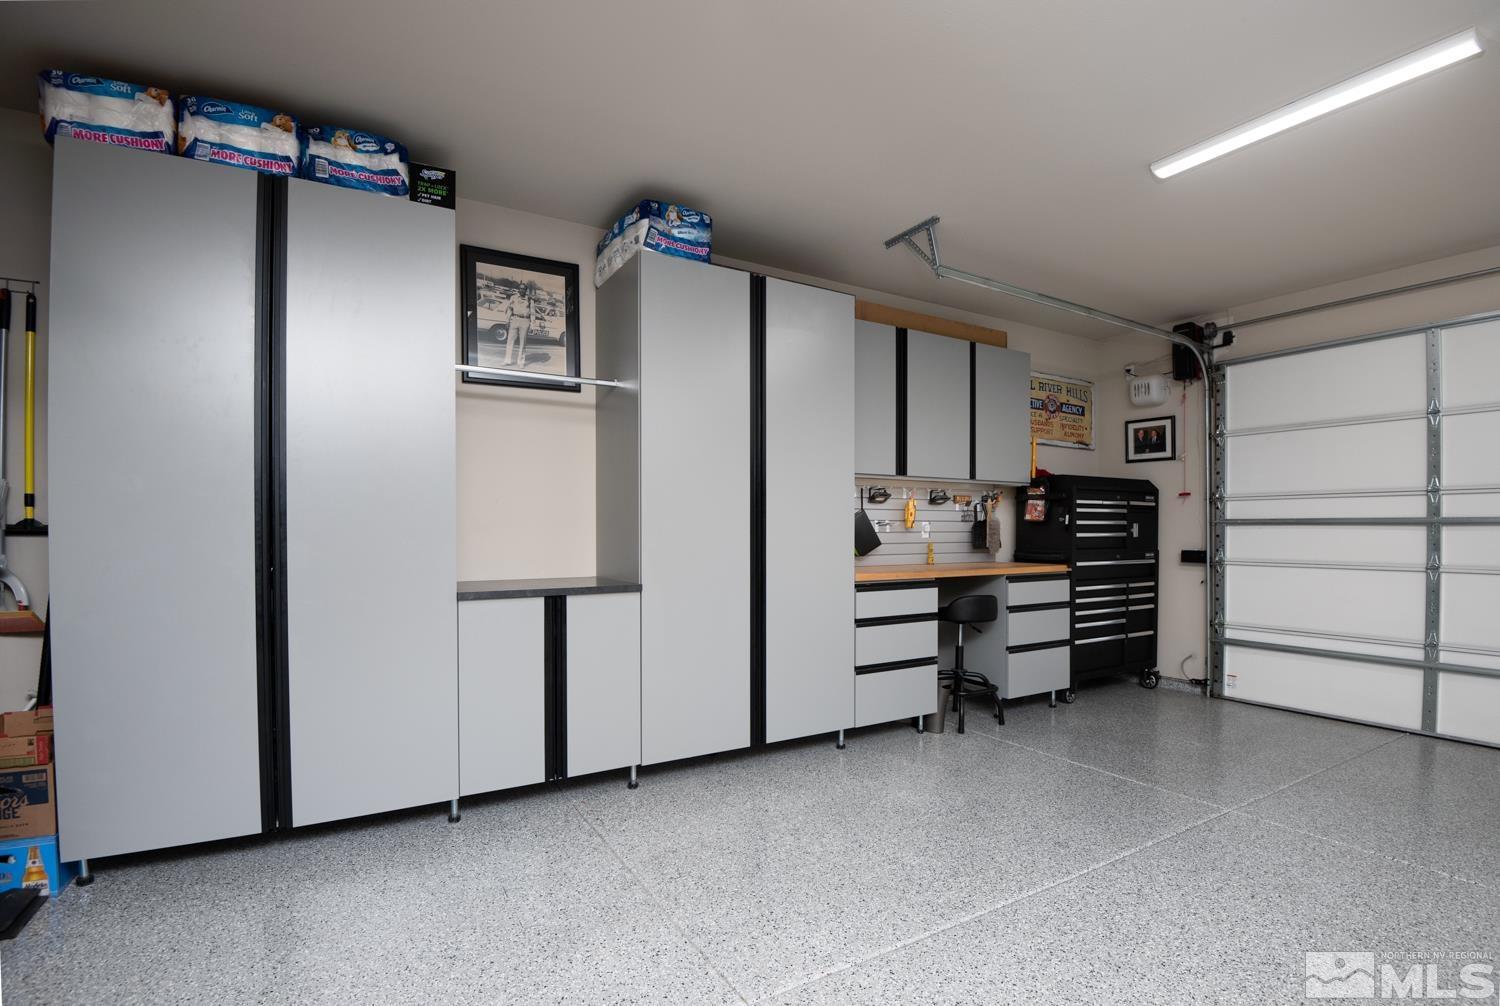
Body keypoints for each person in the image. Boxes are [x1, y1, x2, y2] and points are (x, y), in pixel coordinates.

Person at [503, 283, 535, 366]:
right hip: (515, 319)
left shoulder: (530, 300)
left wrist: (532, 325)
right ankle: (507, 360)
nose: (521, 290)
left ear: (526, 290)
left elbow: (532, 313)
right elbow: (510, 310)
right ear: (518, 289)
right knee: (510, 341)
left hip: (525, 320)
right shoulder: (513, 298)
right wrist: (507, 321)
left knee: (523, 343)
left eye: (523, 289)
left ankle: (520, 362)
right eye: (520, 288)